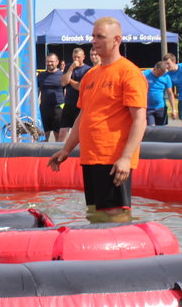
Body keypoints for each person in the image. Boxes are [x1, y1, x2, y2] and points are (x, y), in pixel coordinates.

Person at [47, 17, 147, 223]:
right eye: (93, 36)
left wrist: (126, 158)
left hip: (113, 159)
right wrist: (66, 150)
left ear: (116, 40)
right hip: (91, 158)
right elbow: (82, 116)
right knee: (95, 216)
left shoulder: (129, 72)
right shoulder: (90, 75)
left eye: (100, 36)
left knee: (115, 217)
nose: (94, 41)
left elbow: (140, 120)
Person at [60, 47, 91, 140]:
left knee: (80, 131)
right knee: (63, 132)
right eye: (74, 57)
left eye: (78, 57)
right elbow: (63, 82)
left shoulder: (87, 69)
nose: (76, 59)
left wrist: (69, 80)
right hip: (69, 103)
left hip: (81, 104)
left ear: (83, 57)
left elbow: (80, 87)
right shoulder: (68, 67)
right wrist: (71, 68)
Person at [36, 53, 64, 141]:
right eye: (48, 61)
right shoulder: (41, 75)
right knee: (44, 134)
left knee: (57, 134)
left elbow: (67, 91)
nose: (49, 63)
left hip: (58, 108)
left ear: (57, 62)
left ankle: (58, 149)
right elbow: (37, 90)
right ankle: (43, 149)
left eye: (51, 61)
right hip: (44, 108)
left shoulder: (62, 75)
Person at [144, 61, 176, 126]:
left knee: (161, 129)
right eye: (158, 74)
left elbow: (170, 93)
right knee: (152, 128)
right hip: (148, 108)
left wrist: (173, 109)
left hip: (161, 107)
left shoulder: (166, 77)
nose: (159, 76)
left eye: (161, 74)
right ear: (155, 69)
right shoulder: (145, 74)